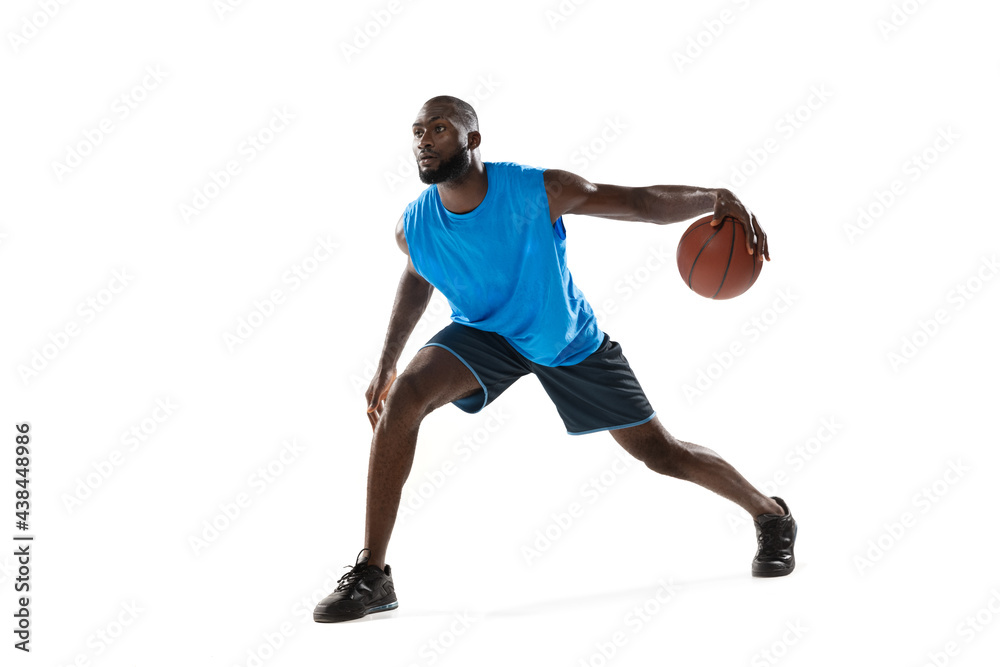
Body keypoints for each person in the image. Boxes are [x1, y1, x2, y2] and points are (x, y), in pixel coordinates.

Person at [313, 96, 797, 623]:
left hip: (562, 338)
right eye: (416, 131)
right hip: (486, 334)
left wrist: (714, 197)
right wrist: (387, 363)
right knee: (404, 397)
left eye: (440, 128)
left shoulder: (538, 191)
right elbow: (417, 275)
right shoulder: (415, 226)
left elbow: (637, 203)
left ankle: (769, 514)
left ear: (472, 140)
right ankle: (373, 576)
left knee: (662, 453)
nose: (424, 139)